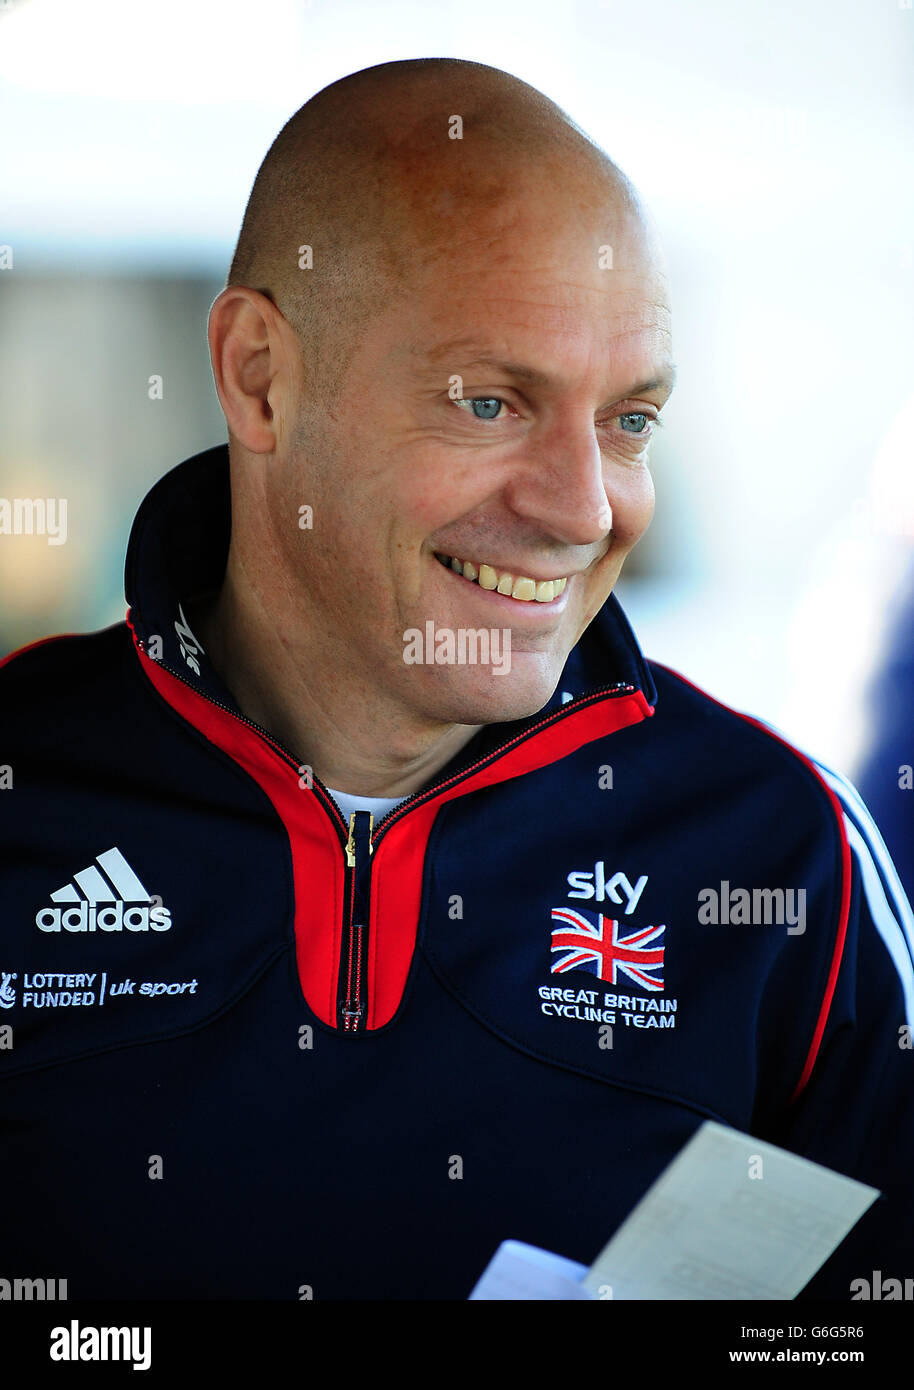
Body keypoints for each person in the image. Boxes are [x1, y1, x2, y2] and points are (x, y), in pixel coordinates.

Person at [1, 57, 912, 1301]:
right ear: (261, 375)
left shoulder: (779, 856)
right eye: (490, 403)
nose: (582, 508)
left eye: (630, 421)